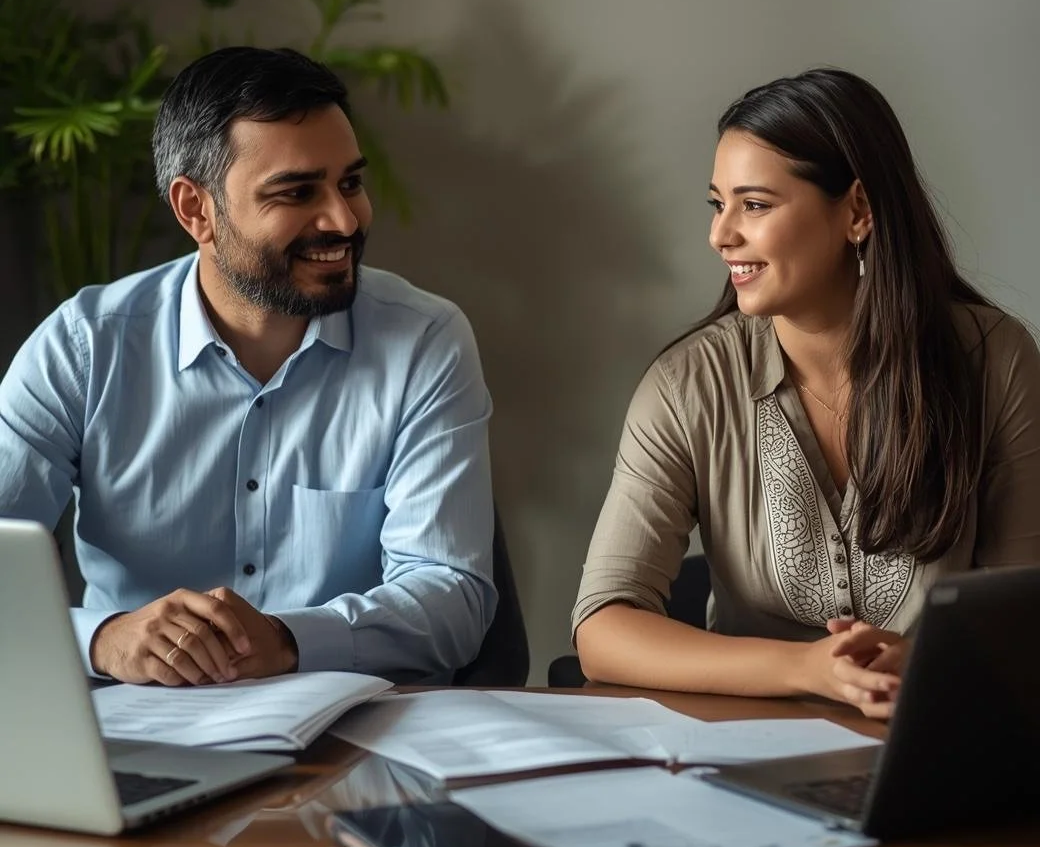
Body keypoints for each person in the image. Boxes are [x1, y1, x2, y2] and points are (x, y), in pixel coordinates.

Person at [0, 46, 496, 685]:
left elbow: (454, 598)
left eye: (350, 182)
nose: (344, 219)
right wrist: (101, 639)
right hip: (136, 733)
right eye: (297, 191)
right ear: (195, 210)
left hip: (353, 738)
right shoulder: (84, 348)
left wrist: (290, 639)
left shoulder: (425, 341)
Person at [573, 68, 1040, 718]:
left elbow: (1023, 609)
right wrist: (809, 669)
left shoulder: (996, 360)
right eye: (718, 203)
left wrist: (928, 656)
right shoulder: (688, 385)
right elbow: (603, 629)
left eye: (755, 205)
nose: (721, 234)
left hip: (935, 744)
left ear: (856, 211)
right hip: (739, 765)